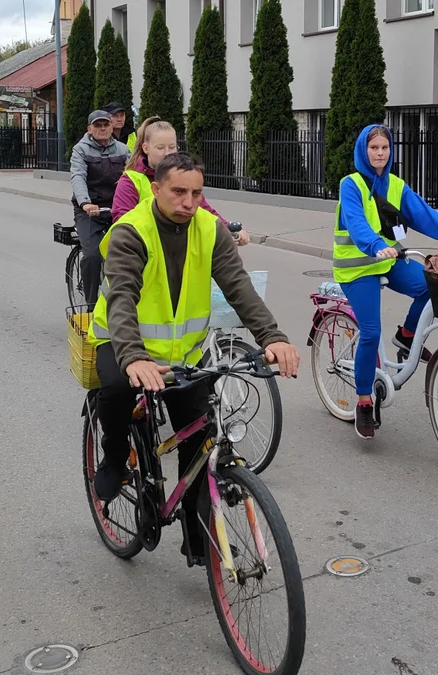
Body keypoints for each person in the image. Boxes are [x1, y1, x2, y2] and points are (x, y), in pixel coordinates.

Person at [87, 152, 299, 563]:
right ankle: (113, 458)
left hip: (183, 353)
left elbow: (238, 287)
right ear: (156, 189)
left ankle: (198, 537)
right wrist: (132, 357)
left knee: (200, 438)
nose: (188, 202)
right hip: (122, 343)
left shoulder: (209, 229)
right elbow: (122, 299)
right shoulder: (132, 231)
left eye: (197, 193)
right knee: (113, 390)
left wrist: (273, 337)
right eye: (179, 191)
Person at [333, 124, 438, 440]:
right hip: (357, 268)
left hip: (388, 260)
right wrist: (374, 245)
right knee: (371, 332)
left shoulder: (396, 186)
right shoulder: (351, 185)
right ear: (364, 151)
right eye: (374, 148)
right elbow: (357, 224)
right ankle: (363, 401)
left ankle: (408, 335)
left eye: (385, 148)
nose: (380, 153)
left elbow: (426, 216)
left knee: (432, 285)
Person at [112, 116, 250, 247]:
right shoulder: (130, 180)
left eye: (172, 147)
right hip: (145, 249)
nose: (167, 153)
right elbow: (122, 221)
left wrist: (228, 229)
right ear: (145, 148)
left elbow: (204, 209)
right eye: (160, 148)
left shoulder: (184, 175)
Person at [70, 110, 130, 308]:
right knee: (93, 255)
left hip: (117, 207)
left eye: (106, 125)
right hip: (90, 209)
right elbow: (78, 176)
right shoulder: (81, 149)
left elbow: (133, 177)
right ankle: (91, 305)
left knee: (133, 250)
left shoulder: (122, 149)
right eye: (98, 125)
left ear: (112, 127)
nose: (102, 129)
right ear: (90, 129)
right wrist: (85, 203)